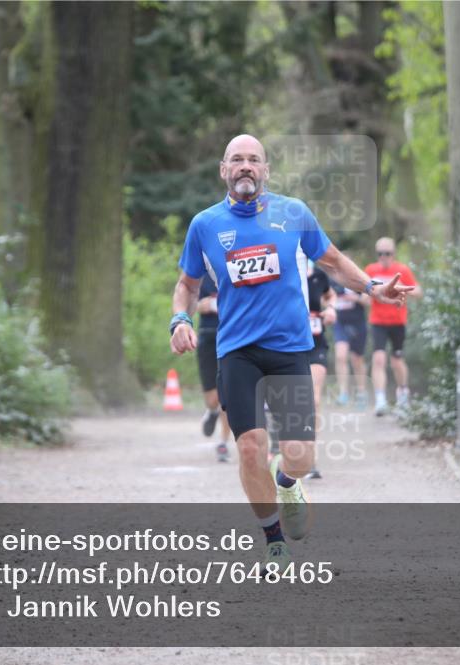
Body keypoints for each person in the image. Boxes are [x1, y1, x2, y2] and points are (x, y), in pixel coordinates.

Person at [170, 135, 414, 571]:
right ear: (223, 170)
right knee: (250, 448)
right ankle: (273, 539)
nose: (246, 167)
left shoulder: (293, 213)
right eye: (237, 161)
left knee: (300, 454)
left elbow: (334, 262)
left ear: (266, 171)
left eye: (254, 161)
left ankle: (288, 484)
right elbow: (188, 285)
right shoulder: (205, 225)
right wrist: (180, 320)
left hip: (290, 349)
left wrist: (375, 288)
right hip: (237, 352)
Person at [365, 237, 422, 416]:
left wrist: (401, 288)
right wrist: (368, 295)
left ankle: (403, 393)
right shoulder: (370, 270)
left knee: (397, 360)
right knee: (379, 358)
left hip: (398, 321)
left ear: (393, 254)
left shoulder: (402, 270)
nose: (384, 257)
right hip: (378, 321)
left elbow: (418, 291)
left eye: (387, 253)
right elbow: (363, 294)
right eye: (380, 254)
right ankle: (381, 400)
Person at [305, 260, 335, 479]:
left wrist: (331, 309)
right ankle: (277, 448)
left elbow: (330, 295)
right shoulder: (281, 270)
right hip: (287, 345)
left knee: (313, 400)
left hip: (316, 344)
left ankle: (311, 459)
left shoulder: (318, 275)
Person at [196, 273, 232, 462]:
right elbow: (193, 305)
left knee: (227, 392)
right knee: (213, 398)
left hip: (231, 337)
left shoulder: (236, 268)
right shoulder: (202, 277)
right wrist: (208, 304)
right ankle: (212, 411)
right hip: (208, 337)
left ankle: (223, 443)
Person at [330, 279, 370, 410]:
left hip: (357, 324)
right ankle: (343, 393)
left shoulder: (358, 280)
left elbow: (367, 301)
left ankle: (361, 392)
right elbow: (324, 299)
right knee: (341, 356)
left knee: (356, 359)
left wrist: (352, 297)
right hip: (340, 323)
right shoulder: (332, 281)